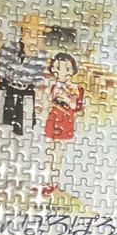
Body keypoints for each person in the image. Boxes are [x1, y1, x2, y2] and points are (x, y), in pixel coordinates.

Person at [0, 14, 48, 138]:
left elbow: (38, 81)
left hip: (26, 94)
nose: (32, 36)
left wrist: (38, 102)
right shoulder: (9, 48)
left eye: (37, 33)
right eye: (28, 31)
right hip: (7, 91)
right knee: (2, 127)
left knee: (22, 131)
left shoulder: (41, 55)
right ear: (22, 32)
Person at [43, 52, 84, 189]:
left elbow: (76, 107)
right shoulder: (53, 86)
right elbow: (48, 103)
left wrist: (66, 98)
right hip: (53, 118)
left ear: (72, 71)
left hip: (65, 119)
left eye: (66, 69)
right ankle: (48, 180)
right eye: (57, 68)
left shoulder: (76, 88)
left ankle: (54, 182)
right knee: (50, 150)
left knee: (59, 151)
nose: (61, 72)